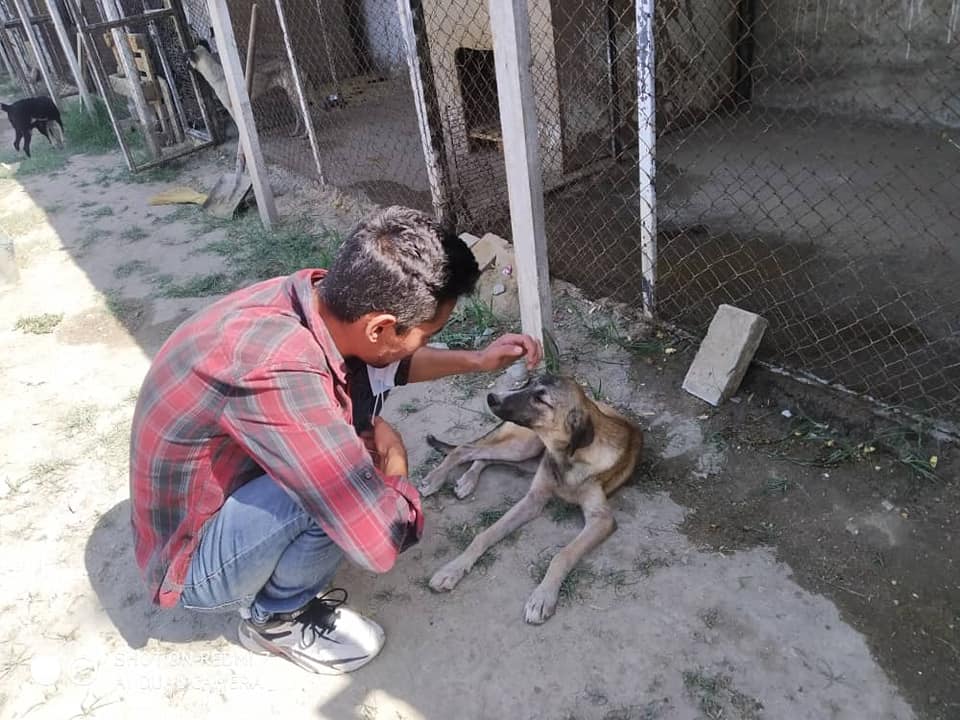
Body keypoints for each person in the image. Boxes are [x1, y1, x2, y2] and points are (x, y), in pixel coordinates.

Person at [128, 205, 542, 676]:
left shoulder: (317, 300)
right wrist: (395, 462)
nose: (426, 343)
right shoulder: (278, 369)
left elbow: (386, 361)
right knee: (351, 480)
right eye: (429, 334)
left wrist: (477, 360)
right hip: (191, 565)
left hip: (209, 508)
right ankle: (275, 619)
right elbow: (379, 545)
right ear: (380, 327)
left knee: (351, 441)